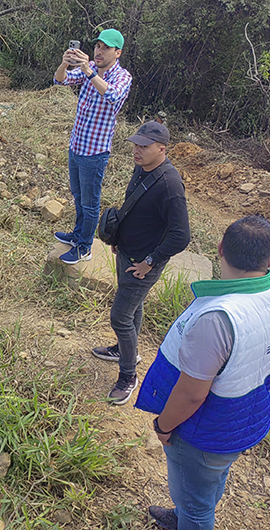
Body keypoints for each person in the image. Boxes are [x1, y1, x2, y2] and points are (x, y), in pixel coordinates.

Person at [136, 215, 270, 530]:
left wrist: (163, 424)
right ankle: (185, 512)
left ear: (220, 250)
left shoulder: (217, 318)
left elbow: (191, 393)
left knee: (198, 506)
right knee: (210, 478)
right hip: (245, 417)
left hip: (205, 431)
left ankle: (190, 515)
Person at [92, 121, 190, 405]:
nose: (137, 150)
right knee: (133, 309)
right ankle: (127, 351)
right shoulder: (142, 168)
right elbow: (133, 206)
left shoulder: (170, 185)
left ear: (162, 149)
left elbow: (181, 236)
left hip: (143, 263)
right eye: (136, 144)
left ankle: (128, 376)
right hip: (127, 252)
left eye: (144, 147)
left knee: (120, 316)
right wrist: (119, 238)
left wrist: (150, 261)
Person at [53, 29, 133, 264]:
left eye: (106, 48)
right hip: (76, 145)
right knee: (78, 196)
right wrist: (64, 64)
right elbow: (60, 80)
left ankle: (85, 247)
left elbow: (112, 95)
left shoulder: (121, 77)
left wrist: (88, 70)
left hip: (95, 152)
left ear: (117, 53)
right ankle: (78, 235)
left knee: (90, 203)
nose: (99, 51)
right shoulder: (89, 68)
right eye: (98, 46)